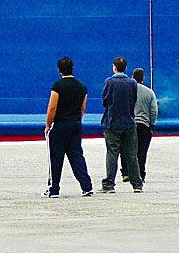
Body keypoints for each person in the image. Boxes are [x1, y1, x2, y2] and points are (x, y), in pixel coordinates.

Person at [42, 57, 93, 198]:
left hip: (60, 125)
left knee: (56, 158)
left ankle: (54, 189)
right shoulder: (82, 87)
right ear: (72, 68)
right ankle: (86, 187)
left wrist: (48, 125)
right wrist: (77, 121)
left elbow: (52, 106)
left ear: (59, 70)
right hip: (76, 124)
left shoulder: (57, 86)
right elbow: (82, 108)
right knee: (76, 156)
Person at [100, 57, 143, 193]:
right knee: (131, 155)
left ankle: (109, 184)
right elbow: (134, 100)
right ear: (125, 68)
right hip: (129, 123)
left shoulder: (109, 82)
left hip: (112, 123)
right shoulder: (132, 83)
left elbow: (105, 101)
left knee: (112, 153)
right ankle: (137, 183)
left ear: (114, 67)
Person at [120, 68, 158, 183]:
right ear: (143, 78)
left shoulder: (127, 91)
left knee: (126, 149)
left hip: (128, 123)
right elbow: (153, 111)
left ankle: (126, 173)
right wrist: (151, 125)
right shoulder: (149, 92)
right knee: (142, 151)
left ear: (132, 77)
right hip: (143, 125)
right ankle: (140, 174)